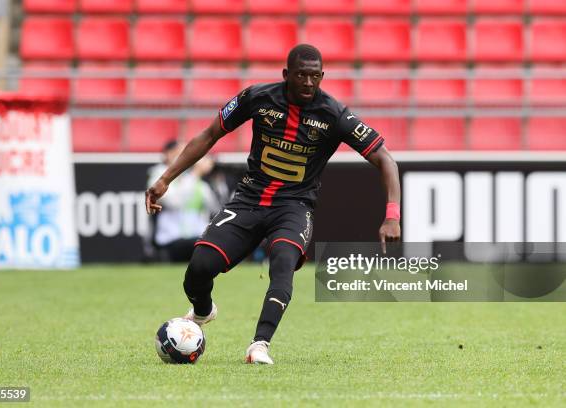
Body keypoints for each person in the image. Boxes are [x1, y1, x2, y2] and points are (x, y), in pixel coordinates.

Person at [146, 44, 401, 364]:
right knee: (199, 268)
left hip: (294, 207)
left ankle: (259, 345)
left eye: (316, 76)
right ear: (286, 75)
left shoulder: (334, 114)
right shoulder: (257, 98)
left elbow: (384, 158)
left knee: (282, 263)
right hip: (249, 201)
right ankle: (203, 310)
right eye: (301, 75)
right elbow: (209, 135)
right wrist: (166, 179)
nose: (309, 83)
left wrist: (392, 214)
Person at [143, 140, 220, 262]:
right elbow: (174, 202)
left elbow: (216, 209)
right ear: (168, 154)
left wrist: (217, 180)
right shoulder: (157, 175)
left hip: (195, 236)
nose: (186, 158)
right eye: (181, 153)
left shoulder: (192, 179)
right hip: (170, 238)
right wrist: (196, 173)